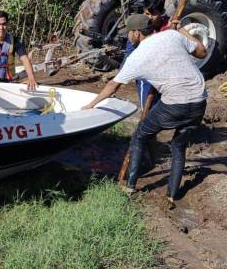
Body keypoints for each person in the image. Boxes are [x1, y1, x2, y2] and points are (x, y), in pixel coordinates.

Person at [82, 14, 208, 207]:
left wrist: (91, 104)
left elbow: (113, 86)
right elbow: (202, 52)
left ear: (136, 33)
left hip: (175, 103)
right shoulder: (172, 36)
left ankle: (131, 186)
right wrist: (182, 30)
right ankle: (172, 195)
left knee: (140, 136)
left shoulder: (137, 57)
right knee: (178, 146)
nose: (128, 37)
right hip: (200, 99)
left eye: (129, 33)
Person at [124, 0, 170, 108]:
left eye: (153, 14)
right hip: (147, 77)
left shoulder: (168, 28)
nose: (148, 17)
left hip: (166, 76)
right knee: (148, 106)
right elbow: (129, 53)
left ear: (162, 12)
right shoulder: (139, 27)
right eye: (146, 13)